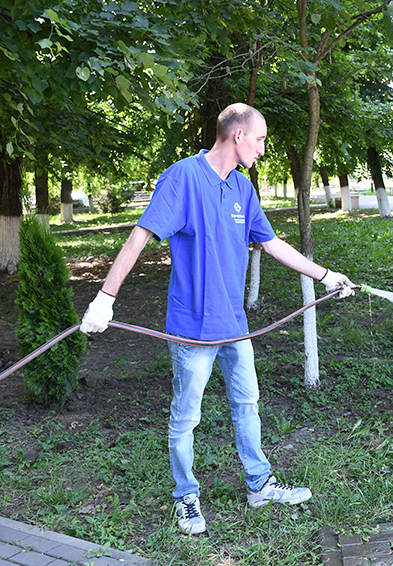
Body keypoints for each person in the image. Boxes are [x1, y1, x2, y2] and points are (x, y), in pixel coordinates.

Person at [79, 103, 356, 535]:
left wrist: (324, 275)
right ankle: (186, 497)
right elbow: (141, 234)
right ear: (238, 136)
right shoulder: (183, 177)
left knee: (248, 405)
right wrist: (104, 297)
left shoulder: (242, 188)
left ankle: (259, 486)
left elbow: (271, 243)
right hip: (191, 329)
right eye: (261, 139)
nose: (264, 149)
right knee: (186, 417)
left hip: (235, 327)